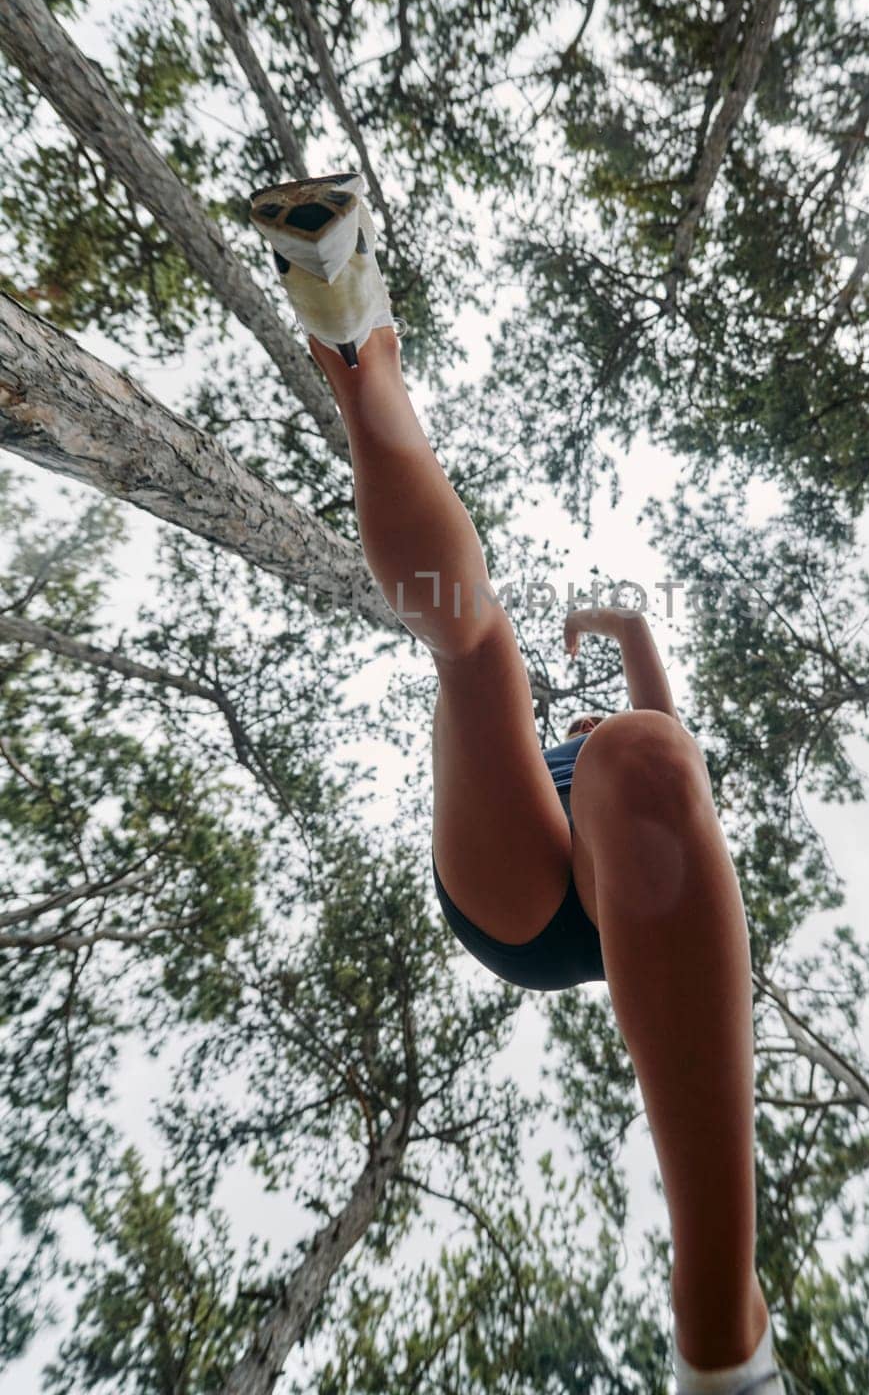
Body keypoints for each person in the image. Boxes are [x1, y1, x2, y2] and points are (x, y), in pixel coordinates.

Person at [250, 174, 786, 1395]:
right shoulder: (556, 744)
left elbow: (653, 709)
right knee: (479, 643)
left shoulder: (622, 747)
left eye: (584, 714)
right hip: (518, 874)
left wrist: (621, 620)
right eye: (577, 715)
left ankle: (719, 1327)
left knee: (646, 754)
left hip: (585, 912)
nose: (584, 725)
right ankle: (354, 335)